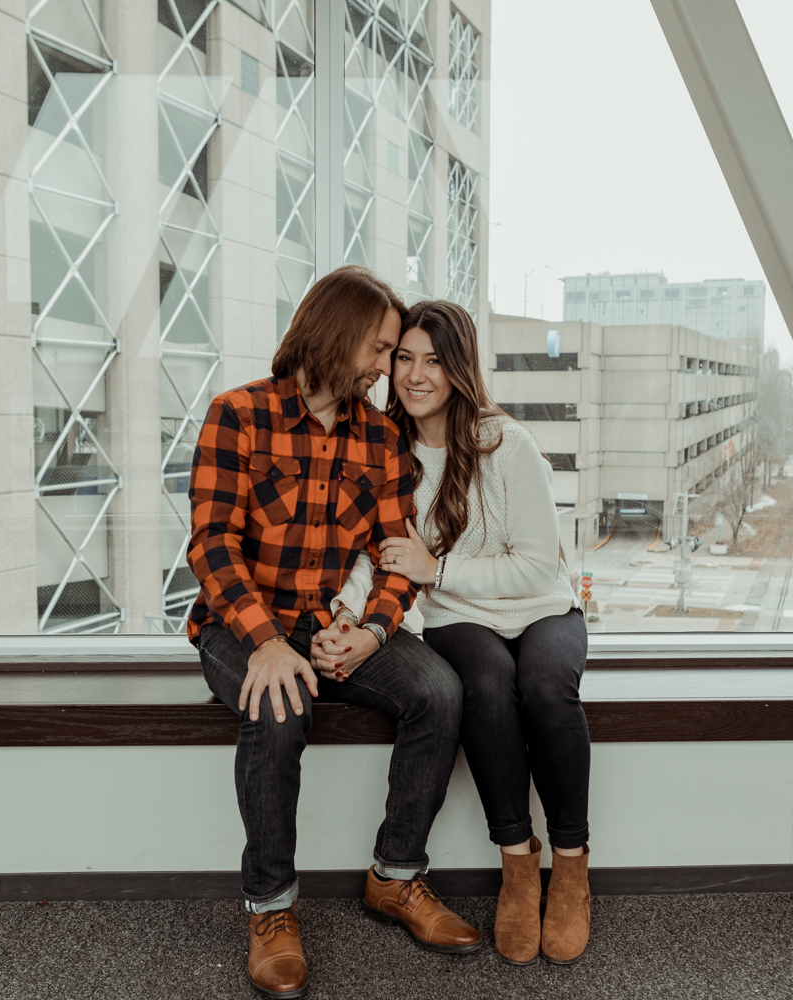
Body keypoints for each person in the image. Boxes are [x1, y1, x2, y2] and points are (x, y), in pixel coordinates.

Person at [187, 267, 481, 1000]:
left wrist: (373, 632)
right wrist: (265, 639)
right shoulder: (237, 415)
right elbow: (211, 547)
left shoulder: (380, 439)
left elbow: (395, 554)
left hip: (329, 625)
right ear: (336, 331)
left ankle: (397, 876)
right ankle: (270, 906)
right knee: (281, 702)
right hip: (237, 624)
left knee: (440, 690)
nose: (387, 368)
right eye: (381, 349)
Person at [321, 299, 592, 966]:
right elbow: (369, 555)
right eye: (403, 358)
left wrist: (438, 567)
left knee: (547, 688)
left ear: (459, 368)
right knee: (487, 687)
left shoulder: (506, 443)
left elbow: (535, 566)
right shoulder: (385, 449)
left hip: (541, 607)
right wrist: (348, 614)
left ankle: (572, 865)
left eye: (433, 361)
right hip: (458, 619)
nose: (414, 375)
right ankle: (519, 866)